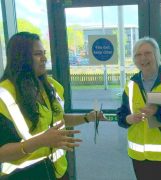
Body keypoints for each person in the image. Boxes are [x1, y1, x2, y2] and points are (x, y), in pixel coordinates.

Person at [0, 32, 105, 179]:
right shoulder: (4, 95)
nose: (44, 58)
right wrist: (40, 141)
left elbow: (57, 120)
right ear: (21, 58)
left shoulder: (50, 86)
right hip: (24, 176)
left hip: (58, 172)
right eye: (37, 54)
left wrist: (87, 117)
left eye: (44, 53)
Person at [117, 37, 161, 180]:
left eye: (147, 53)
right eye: (138, 55)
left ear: (156, 55)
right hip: (139, 157)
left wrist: (158, 112)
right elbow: (121, 115)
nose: (143, 58)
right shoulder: (131, 85)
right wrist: (128, 119)